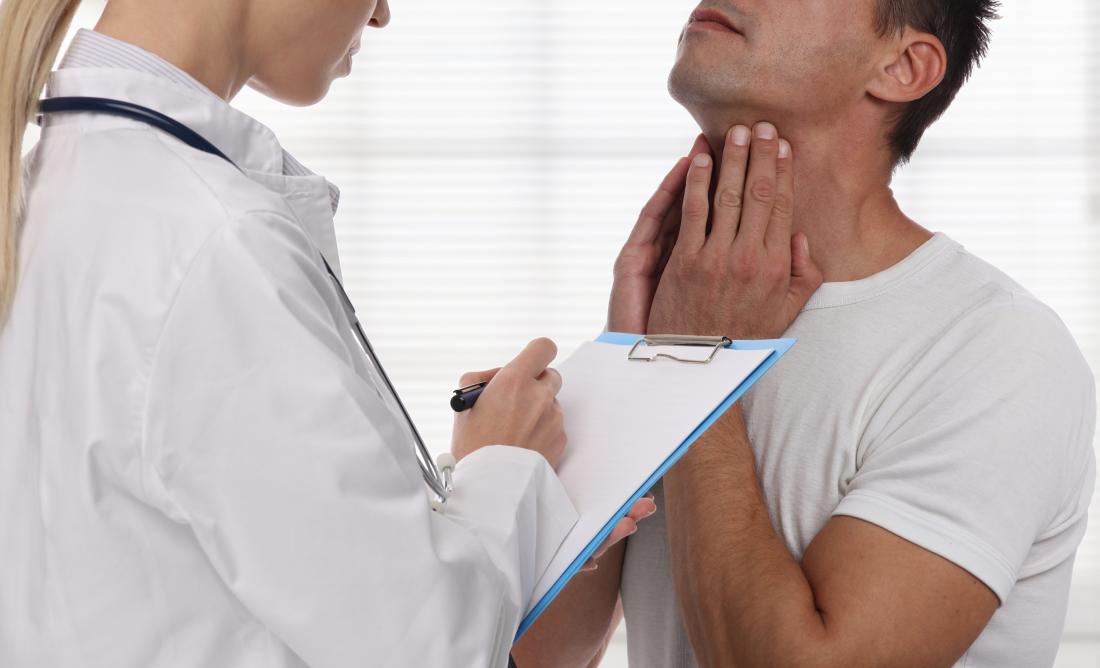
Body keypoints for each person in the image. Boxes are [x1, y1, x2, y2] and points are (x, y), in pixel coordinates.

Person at [0, 0, 657, 666]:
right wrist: (508, 467)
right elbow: (426, 647)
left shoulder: (58, 192)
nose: (381, 16)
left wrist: (486, 506)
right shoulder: (214, 245)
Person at [514, 1, 1097, 667]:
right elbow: (545, 656)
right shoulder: (683, 309)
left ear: (904, 66)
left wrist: (692, 364)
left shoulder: (999, 352)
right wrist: (625, 378)